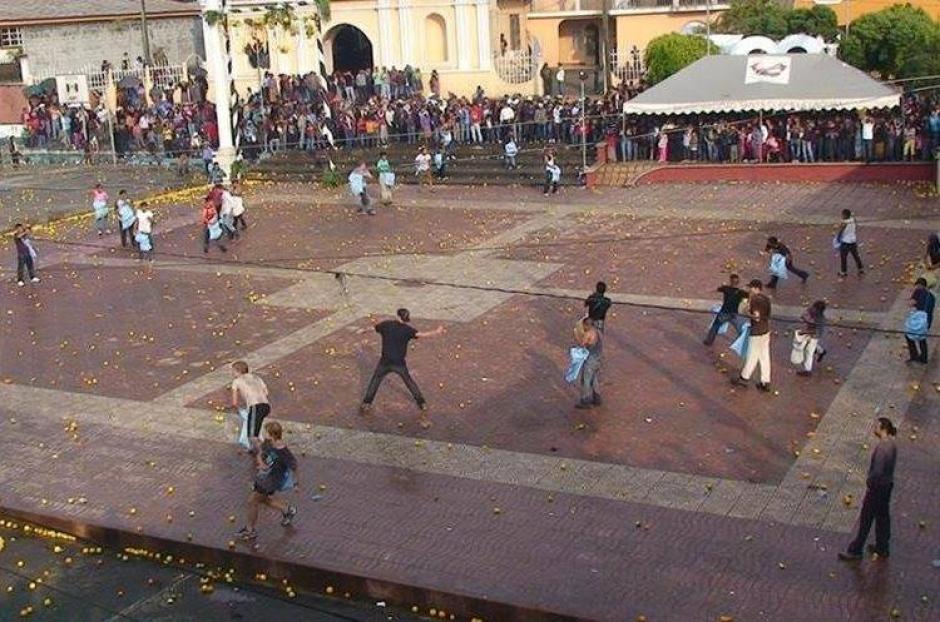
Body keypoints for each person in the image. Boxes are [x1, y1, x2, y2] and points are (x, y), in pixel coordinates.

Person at [360, 308, 445, 413]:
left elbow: (373, 328)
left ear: (398, 316)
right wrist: (437, 332)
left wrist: (363, 330)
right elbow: (422, 335)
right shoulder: (407, 330)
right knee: (409, 382)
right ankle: (422, 403)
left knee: (375, 381)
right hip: (399, 363)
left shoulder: (387, 325)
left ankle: (366, 403)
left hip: (385, 361)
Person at [838, 417, 898, 561]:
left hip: (877, 488)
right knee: (883, 516)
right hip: (887, 485)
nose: (874, 429)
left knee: (866, 517)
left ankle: (856, 549)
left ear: (883, 428)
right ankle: (882, 546)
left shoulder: (881, 448)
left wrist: (869, 481)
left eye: (876, 426)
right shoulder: (892, 445)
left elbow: (877, 471)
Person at [235, 421, 298, 542]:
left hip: (271, 481)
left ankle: (250, 530)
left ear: (272, 435)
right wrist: (261, 462)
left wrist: (296, 483)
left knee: (252, 501)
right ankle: (287, 510)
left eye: (265, 432)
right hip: (263, 478)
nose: (263, 434)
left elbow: (294, 466)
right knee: (263, 500)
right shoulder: (267, 443)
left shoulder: (283, 451)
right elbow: (260, 453)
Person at [731, 279, 772, 392]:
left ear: (755, 288)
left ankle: (744, 377)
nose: (749, 290)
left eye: (751, 288)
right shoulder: (766, 299)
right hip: (766, 330)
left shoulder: (755, 300)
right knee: (764, 356)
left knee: (752, 355)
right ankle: (765, 381)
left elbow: (756, 317)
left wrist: (746, 311)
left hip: (756, 331)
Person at [231, 360, 272, 445]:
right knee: (255, 428)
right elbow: (266, 393)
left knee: (252, 436)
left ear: (237, 371)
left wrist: (237, 408)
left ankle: (261, 453)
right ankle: (260, 447)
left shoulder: (236, 381)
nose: (232, 374)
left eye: (233, 371)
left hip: (255, 407)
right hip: (266, 406)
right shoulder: (257, 377)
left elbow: (234, 402)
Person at [704, 273, 747, 346]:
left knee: (715, 326)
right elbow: (749, 296)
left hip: (724, 312)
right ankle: (745, 341)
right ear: (738, 282)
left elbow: (715, 290)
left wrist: (707, 290)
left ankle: (709, 341)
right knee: (740, 329)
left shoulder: (725, 288)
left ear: (730, 281)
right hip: (734, 314)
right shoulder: (741, 292)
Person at [575, 317, 603, 409]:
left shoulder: (588, 334)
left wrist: (577, 335)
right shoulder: (598, 332)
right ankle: (597, 397)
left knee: (586, 379)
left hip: (590, 360)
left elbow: (583, 344)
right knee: (593, 377)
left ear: (587, 325)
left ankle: (585, 400)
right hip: (598, 359)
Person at [906, 277, 935, 364]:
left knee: (911, 336)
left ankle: (915, 356)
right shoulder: (931, 296)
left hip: (920, 319)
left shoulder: (918, 292)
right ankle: (923, 357)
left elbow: (911, 303)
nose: (917, 287)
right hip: (926, 320)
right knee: (921, 338)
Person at [794, 300, 826, 377]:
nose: (812, 309)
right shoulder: (811, 310)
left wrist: (804, 332)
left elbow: (815, 331)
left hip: (814, 335)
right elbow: (804, 315)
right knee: (811, 346)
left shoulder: (819, 320)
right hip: (810, 332)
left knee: (809, 352)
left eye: (814, 308)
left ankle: (807, 370)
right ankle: (821, 351)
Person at [837, 209, 864, 277]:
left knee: (843, 257)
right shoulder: (853, 220)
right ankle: (860, 268)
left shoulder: (844, 223)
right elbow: (854, 218)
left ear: (845, 215)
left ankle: (843, 271)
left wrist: (838, 238)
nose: (841, 216)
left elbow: (841, 231)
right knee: (856, 256)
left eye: (842, 215)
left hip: (845, 242)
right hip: (853, 241)